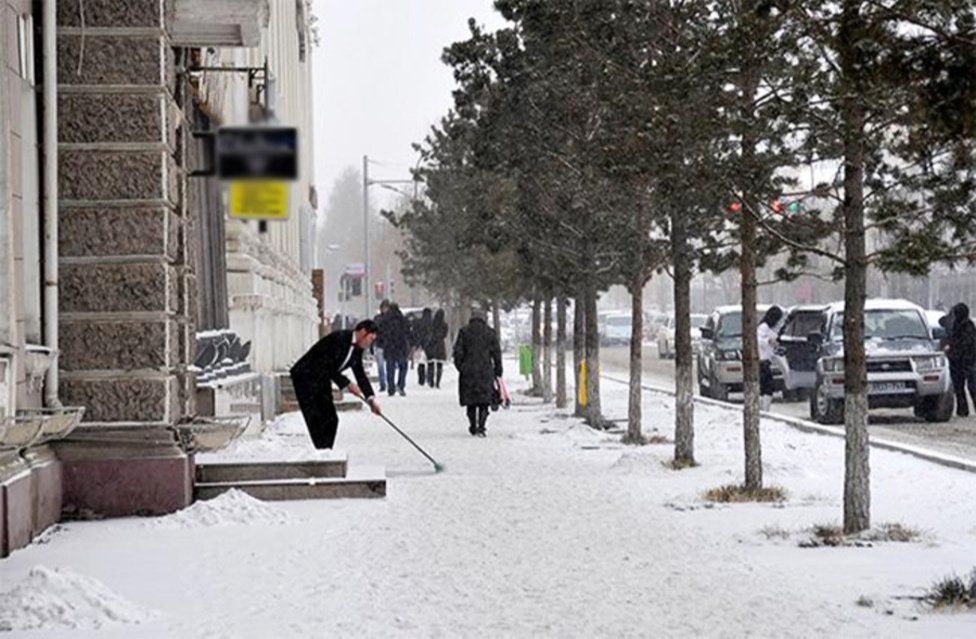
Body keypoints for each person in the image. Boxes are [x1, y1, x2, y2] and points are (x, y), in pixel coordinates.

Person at [289, 320, 381, 449]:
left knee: (331, 419)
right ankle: (322, 451)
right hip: (306, 376)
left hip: (322, 378)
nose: (370, 343)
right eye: (370, 339)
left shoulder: (357, 349)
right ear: (363, 332)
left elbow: (360, 374)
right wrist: (347, 384)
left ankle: (325, 451)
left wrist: (371, 399)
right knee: (317, 418)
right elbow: (327, 365)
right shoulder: (339, 339)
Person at [453, 309, 502, 437]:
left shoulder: (464, 332)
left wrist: (461, 367)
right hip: (485, 370)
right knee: (484, 400)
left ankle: (472, 425)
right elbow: (496, 353)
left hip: (468, 371)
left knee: (471, 401)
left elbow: (458, 352)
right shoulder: (490, 333)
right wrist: (498, 370)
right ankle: (481, 426)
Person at [942, 303, 976, 417]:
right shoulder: (955, 325)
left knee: (971, 387)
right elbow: (941, 321)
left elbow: (966, 345)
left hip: (967, 361)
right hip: (959, 361)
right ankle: (962, 410)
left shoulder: (968, 327)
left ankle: (964, 409)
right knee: (959, 388)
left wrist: (952, 350)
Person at [380, 303, 411, 396]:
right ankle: (400, 385)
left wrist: (383, 343)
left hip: (389, 347)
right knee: (403, 367)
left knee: (390, 368)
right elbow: (408, 332)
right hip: (400, 346)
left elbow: (381, 332)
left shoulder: (385, 319)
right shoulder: (402, 318)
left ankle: (391, 388)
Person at [757, 305, 784, 412]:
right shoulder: (763, 327)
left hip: (765, 361)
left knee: (765, 387)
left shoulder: (768, 328)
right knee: (767, 387)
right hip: (762, 361)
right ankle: (764, 409)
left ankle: (763, 408)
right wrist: (769, 341)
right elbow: (758, 340)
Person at [425, 309, 449, 388]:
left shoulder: (432, 324)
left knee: (431, 364)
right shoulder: (444, 325)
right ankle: (438, 382)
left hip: (432, 345)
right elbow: (445, 335)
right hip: (440, 345)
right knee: (440, 364)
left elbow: (429, 332)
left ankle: (431, 380)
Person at [373, 300, 391, 393]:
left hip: (389, 345)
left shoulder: (391, 319)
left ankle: (389, 382)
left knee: (389, 365)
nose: (385, 309)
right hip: (379, 344)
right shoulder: (377, 319)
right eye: (383, 307)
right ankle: (382, 383)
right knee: (380, 365)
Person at [414, 308, 433, 385]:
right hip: (430, 345)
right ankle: (430, 378)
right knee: (430, 362)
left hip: (421, 345)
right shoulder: (432, 322)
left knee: (421, 362)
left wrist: (417, 343)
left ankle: (421, 379)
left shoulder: (419, 322)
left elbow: (416, 333)